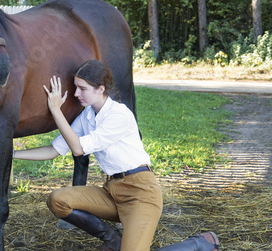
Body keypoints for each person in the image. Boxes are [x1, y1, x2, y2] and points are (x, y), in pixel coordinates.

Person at [13, 60, 220, 251]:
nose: (77, 94)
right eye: (76, 87)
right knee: (58, 200)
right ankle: (114, 240)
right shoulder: (87, 116)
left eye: (82, 88)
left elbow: (78, 149)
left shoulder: (119, 115)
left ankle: (198, 244)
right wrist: (11, 154)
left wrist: (55, 110)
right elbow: (54, 150)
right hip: (112, 191)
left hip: (141, 194)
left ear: (100, 89)